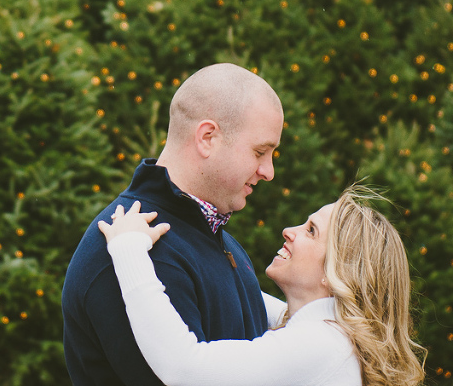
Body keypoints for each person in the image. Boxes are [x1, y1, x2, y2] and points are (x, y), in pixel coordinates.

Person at [62, 63, 285, 385]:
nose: (268, 171)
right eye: (260, 151)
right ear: (207, 137)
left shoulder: (217, 241)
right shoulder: (132, 247)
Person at [99, 185, 427, 386]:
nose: (289, 230)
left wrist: (128, 249)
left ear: (338, 272)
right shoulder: (330, 335)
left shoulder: (322, 345)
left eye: (311, 230)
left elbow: (183, 368)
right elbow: (238, 293)